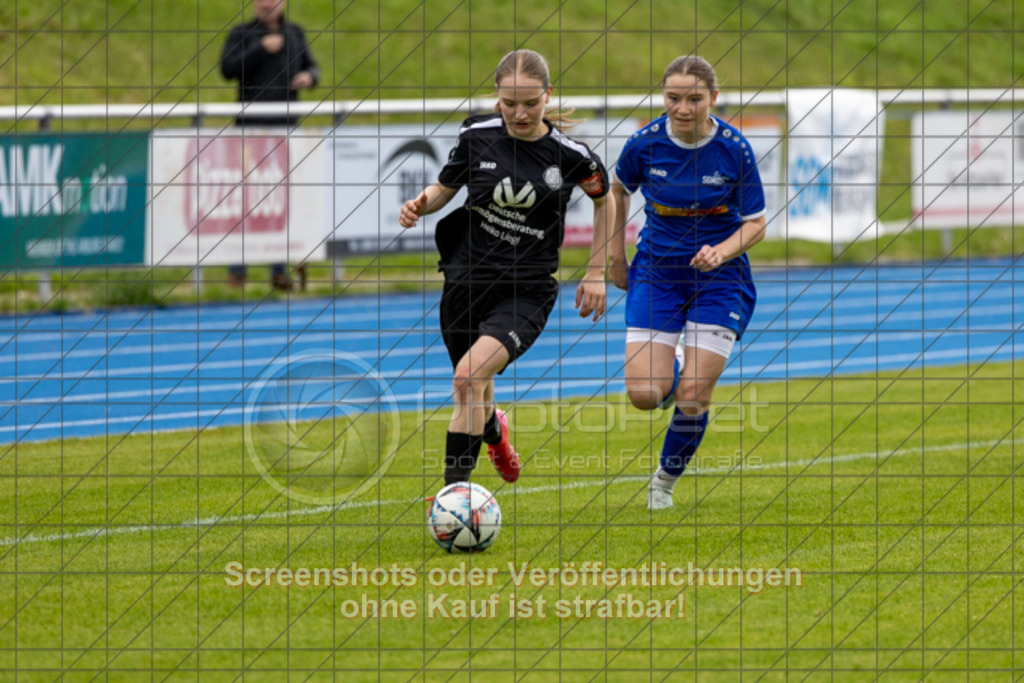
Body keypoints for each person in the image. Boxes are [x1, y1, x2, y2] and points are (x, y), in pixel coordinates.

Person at [399, 49, 610, 486]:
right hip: (466, 281)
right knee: (473, 388)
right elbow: (445, 187)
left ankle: (455, 500)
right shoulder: (477, 135)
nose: (519, 113)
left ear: (548, 96)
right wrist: (421, 205)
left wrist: (595, 273)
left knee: (468, 376)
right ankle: (495, 430)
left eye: (530, 103)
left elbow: (604, 200)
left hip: (526, 290)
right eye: (508, 103)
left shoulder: (571, 156)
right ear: (496, 97)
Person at [609, 55, 767, 510]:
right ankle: (674, 360)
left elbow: (757, 223)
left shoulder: (734, 150)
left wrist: (722, 251)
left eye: (693, 99)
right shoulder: (644, 144)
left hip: (719, 279)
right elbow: (618, 190)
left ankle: (663, 482)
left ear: (713, 99)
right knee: (644, 395)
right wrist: (617, 254)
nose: (681, 108)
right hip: (658, 272)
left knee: (695, 394)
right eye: (672, 98)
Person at [219, 0, 319, 291]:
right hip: (249, 131)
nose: (267, 4)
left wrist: (310, 77)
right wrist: (261, 48)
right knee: (245, 200)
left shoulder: (295, 33)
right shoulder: (241, 34)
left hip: (285, 131)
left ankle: (279, 269)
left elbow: (313, 68)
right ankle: (237, 269)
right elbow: (227, 69)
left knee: (281, 201)